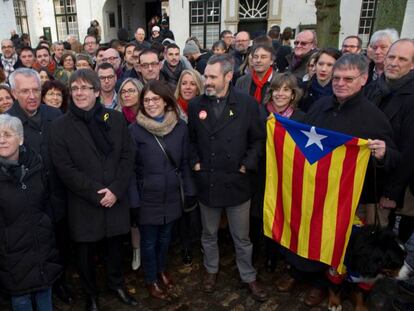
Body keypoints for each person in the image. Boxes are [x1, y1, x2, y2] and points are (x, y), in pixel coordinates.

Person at [276, 54, 399, 307]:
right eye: (337, 78)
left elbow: (395, 159)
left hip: (349, 199)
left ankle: (322, 286)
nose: (340, 83)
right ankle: (298, 274)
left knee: (336, 246)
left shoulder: (374, 117)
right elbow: (301, 142)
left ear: (364, 79)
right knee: (307, 234)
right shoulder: (320, 106)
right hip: (316, 191)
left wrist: (383, 154)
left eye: (348, 79)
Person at [49, 69, 137, 310]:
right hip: (84, 201)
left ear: (97, 91)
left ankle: (116, 283)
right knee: (85, 253)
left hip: (115, 197)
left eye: (85, 88)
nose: (79, 93)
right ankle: (91, 294)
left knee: (116, 247)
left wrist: (116, 191)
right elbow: (64, 168)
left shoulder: (115, 119)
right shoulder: (59, 126)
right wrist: (97, 193)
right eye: (74, 88)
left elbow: (128, 156)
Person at [187, 54, 268, 302]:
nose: (207, 81)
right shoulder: (196, 105)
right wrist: (195, 162)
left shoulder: (246, 104)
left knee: (241, 237)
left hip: (237, 182)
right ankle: (211, 270)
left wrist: (247, 164)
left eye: (212, 77)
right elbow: (190, 140)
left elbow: (258, 139)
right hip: (208, 181)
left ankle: (248, 275)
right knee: (209, 234)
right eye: (205, 76)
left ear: (228, 76)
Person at [7, 68, 74, 305]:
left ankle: (60, 283)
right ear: (14, 93)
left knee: (61, 245)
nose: (32, 95)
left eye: (35, 90)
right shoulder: (8, 124)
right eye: (25, 91)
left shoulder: (54, 115)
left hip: (59, 195)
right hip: (28, 203)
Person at [128, 80, 196, 300]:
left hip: (173, 194)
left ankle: (161, 269)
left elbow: (185, 162)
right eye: (146, 100)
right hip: (147, 195)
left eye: (155, 99)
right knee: (148, 241)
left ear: (166, 101)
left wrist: (189, 189)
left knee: (166, 237)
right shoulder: (134, 130)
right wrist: (134, 202)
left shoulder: (180, 127)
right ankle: (151, 279)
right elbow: (129, 170)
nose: (150, 103)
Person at [0, 114, 62, 311]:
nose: (1, 140)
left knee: (45, 293)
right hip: (12, 254)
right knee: (21, 299)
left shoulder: (36, 165)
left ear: (20, 139)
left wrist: (47, 228)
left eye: (7, 134)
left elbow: (48, 201)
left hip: (42, 247)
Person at [364, 39, 414, 235]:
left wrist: (391, 193)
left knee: (377, 234)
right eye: (391, 57)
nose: (394, 62)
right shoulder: (373, 88)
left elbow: (410, 150)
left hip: (387, 183)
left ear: (412, 65)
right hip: (365, 177)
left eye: (402, 59)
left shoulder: (411, 97)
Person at [299, 48, 341, 112]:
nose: (323, 69)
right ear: (315, 65)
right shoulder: (301, 88)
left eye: (329, 65)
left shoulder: (341, 91)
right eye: (320, 64)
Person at [235, 44, 275, 110]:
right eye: (255, 57)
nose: (258, 60)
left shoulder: (279, 81)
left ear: (271, 61)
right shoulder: (241, 81)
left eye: (263, 57)